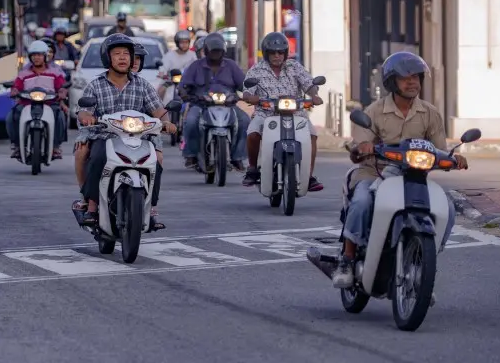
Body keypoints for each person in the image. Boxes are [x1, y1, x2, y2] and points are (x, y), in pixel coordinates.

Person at [332, 52, 466, 288]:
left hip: (414, 177)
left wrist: (453, 159)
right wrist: (363, 147)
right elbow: (359, 147)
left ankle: (423, 266)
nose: (412, 82)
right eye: (405, 78)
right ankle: (347, 258)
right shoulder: (374, 111)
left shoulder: (430, 113)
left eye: (416, 77)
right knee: (362, 201)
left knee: (449, 208)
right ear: (392, 82)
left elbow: (440, 151)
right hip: (375, 172)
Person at [74, 33, 177, 228]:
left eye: (126, 54)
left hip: (139, 136)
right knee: (95, 157)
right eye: (117, 54)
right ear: (107, 58)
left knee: (158, 159)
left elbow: (159, 111)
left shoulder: (143, 85)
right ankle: (92, 205)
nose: (122, 57)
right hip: (105, 135)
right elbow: (83, 111)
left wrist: (166, 122)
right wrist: (86, 117)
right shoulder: (96, 84)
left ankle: (150, 206)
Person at [241, 32, 324, 191]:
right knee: (252, 132)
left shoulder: (295, 67)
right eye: (273, 52)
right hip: (266, 114)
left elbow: (309, 83)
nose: (277, 56)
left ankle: (308, 176)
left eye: (280, 52)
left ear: (286, 53)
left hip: (296, 114)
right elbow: (247, 90)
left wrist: (314, 95)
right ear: (266, 53)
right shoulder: (257, 69)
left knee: (312, 135)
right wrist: (249, 97)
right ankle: (252, 169)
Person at [179, 32, 249, 171]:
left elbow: (244, 84)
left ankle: (237, 157)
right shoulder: (195, 66)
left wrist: (247, 94)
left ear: (223, 51)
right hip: (201, 105)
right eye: (213, 51)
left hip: (228, 105)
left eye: (219, 51)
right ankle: (191, 155)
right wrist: (185, 93)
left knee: (245, 121)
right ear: (206, 51)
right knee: (191, 122)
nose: (216, 54)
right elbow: (183, 85)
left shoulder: (231, 66)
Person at [6, 40, 67, 159]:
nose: (36, 58)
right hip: (26, 103)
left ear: (45, 57)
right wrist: (14, 91)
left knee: (60, 116)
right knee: (11, 116)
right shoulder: (23, 73)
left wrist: (62, 92)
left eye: (39, 55)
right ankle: (17, 146)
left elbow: (61, 86)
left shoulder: (54, 72)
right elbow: (16, 86)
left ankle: (55, 147)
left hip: (49, 103)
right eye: (34, 55)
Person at [158, 30, 197, 100]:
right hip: (171, 82)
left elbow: (197, 68)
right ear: (177, 43)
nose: (184, 44)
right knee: (160, 90)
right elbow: (162, 70)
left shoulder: (193, 55)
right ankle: (160, 108)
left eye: (186, 42)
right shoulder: (169, 55)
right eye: (182, 42)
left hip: (189, 82)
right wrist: (164, 75)